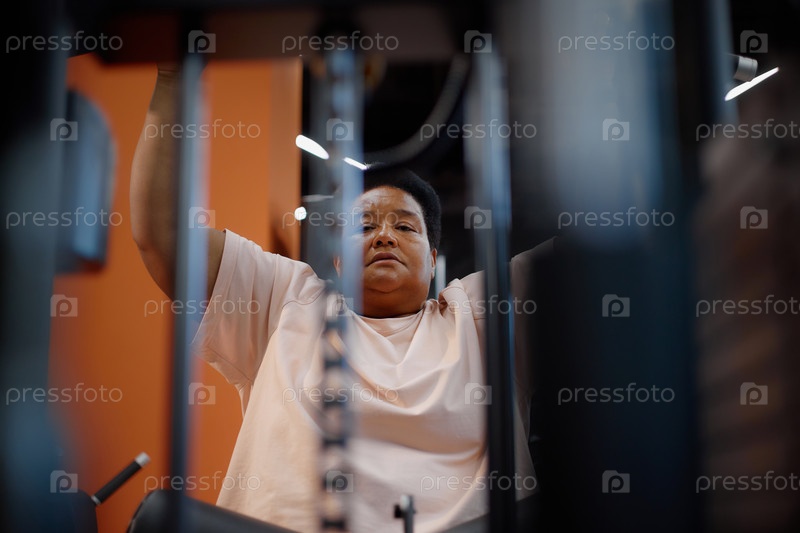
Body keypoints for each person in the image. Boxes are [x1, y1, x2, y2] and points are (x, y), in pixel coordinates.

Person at [131, 66, 537, 532]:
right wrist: (174, 76)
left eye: (405, 227)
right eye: (364, 226)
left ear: (433, 260)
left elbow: (595, 246)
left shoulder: (479, 313)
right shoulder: (288, 299)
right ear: (338, 261)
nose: (384, 236)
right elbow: (164, 235)